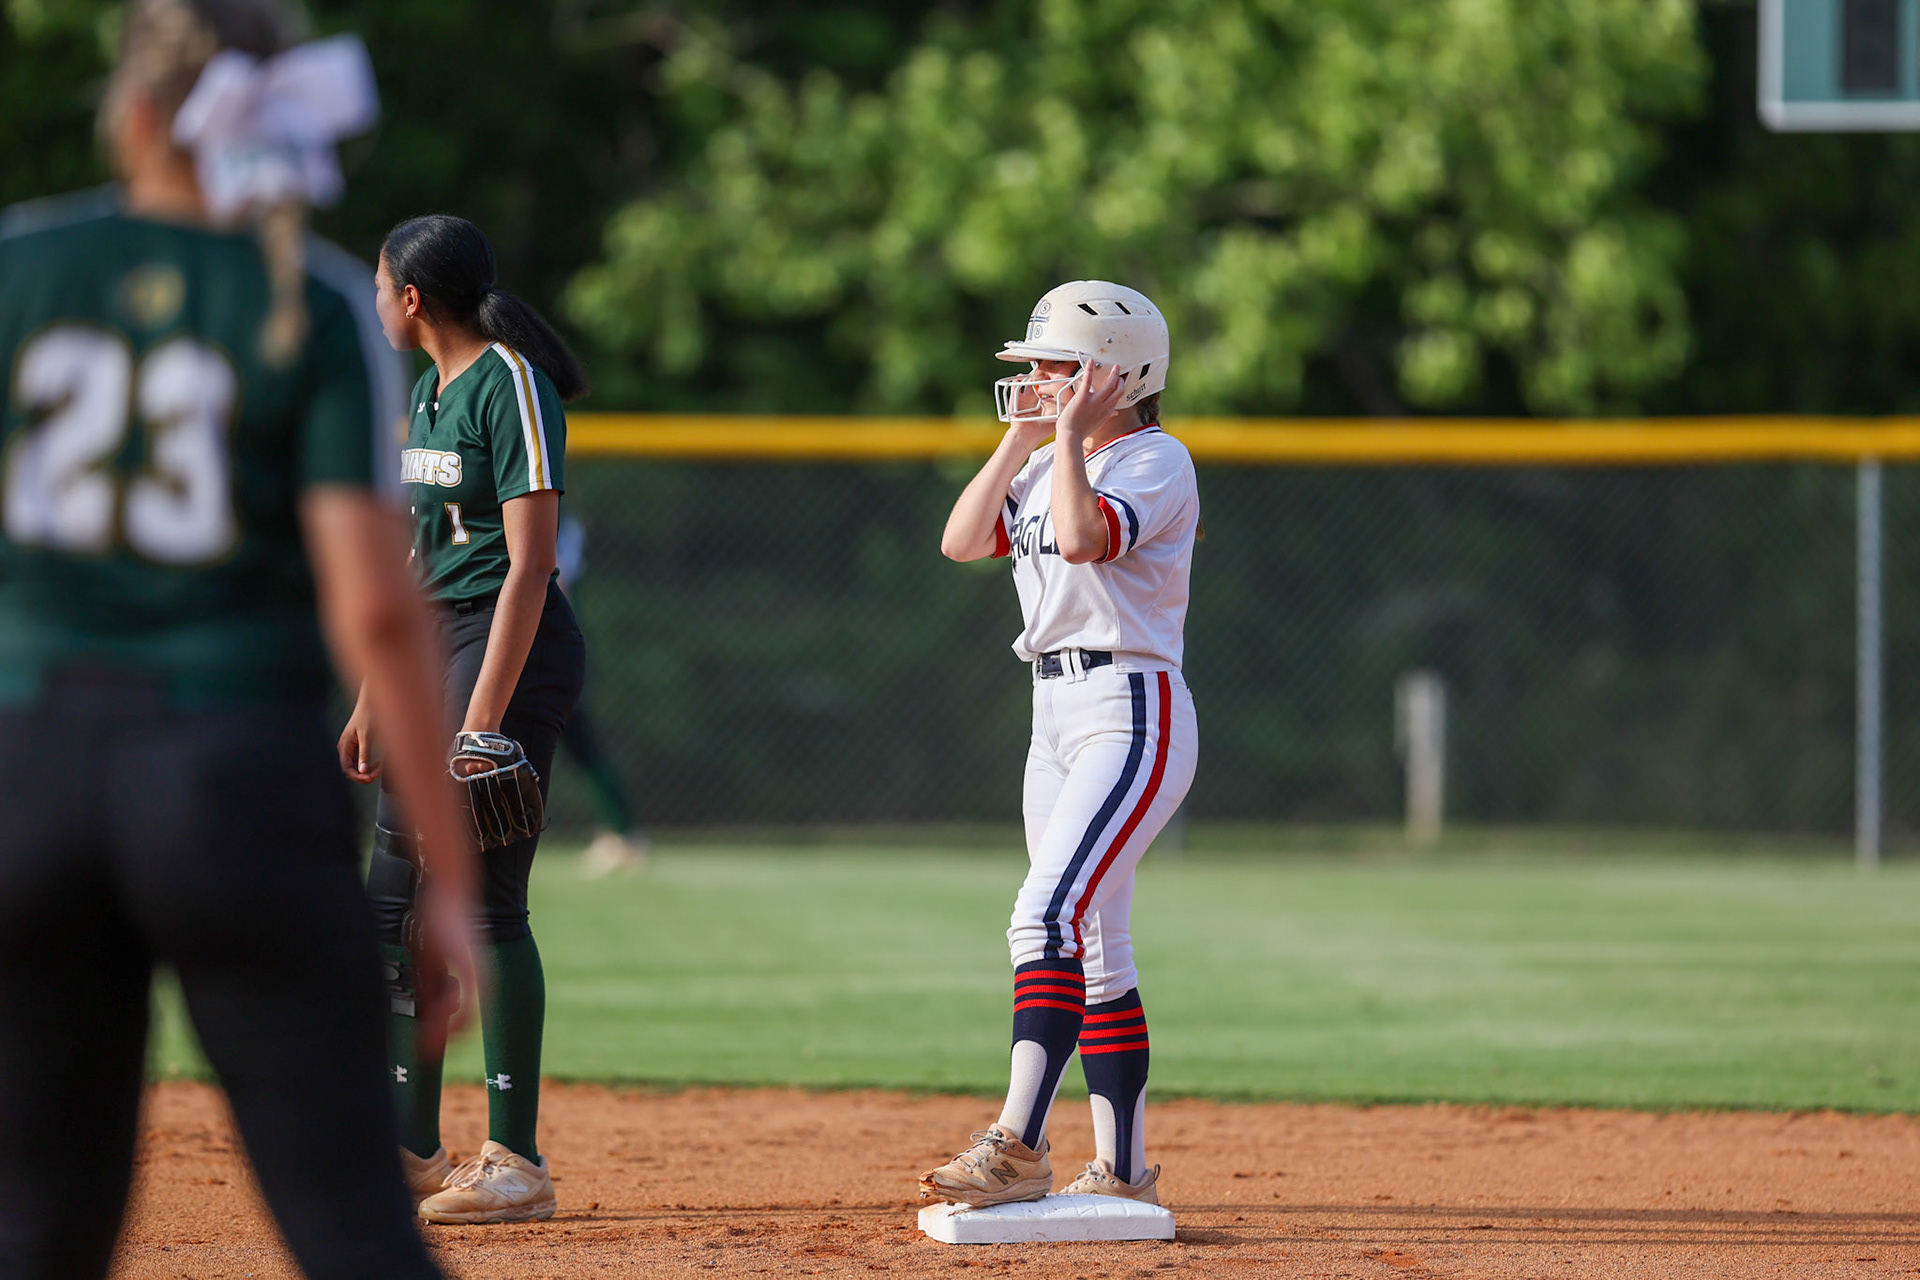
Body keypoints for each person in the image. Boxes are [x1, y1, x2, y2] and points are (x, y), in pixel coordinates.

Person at [0, 2, 479, 1277]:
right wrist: (443, 872)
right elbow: (376, 606)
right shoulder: (309, 298)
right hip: (230, 776)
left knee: (36, 1226)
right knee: (350, 1224)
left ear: (137, 110)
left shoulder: (18, 265)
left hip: (26, 765)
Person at [924, 281, 1200, 1208]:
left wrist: (1070, 441)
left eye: (1054, 365)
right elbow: (963, 541)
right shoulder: (1047, 463)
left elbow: (1085, 543)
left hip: (1131, 706)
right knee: (1092, 946)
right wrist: (1022, 443)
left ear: (1119, 374)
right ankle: (1121, 1172)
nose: (1037, 380)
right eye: (1035, 367)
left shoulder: (1156, 460)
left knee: (1041, 917)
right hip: (1054, 715)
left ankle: (1018, 1144)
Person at [343, 212, 589, 1224]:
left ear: (412, 297)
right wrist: (372, 688)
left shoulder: (509, 381)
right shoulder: (426, 390)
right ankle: (406, 1142)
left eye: (378, 284)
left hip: (505, 647)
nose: (373, 300)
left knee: (484, 902)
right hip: (431, 642)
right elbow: (413, 556)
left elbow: (532, 563)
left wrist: (482, 718)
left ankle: (515, 1156)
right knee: (394, 898)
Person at [554, 513, 650, 876]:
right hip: (552, 644)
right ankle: (624, 832)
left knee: (581, 746)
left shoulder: (557, 520)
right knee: (580, 748)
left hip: (551, 646)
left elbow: (551, 580)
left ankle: (625, 834)